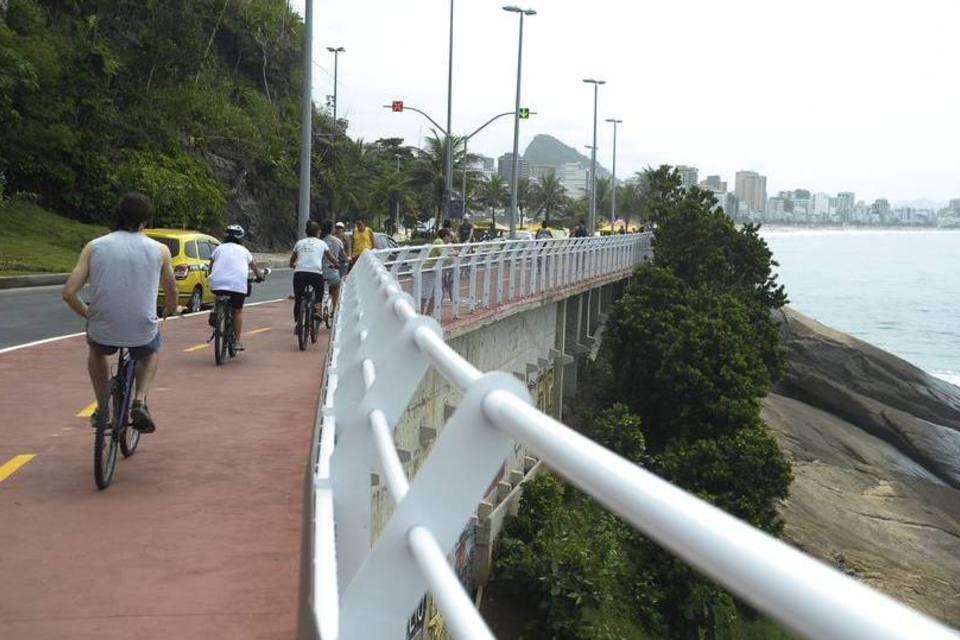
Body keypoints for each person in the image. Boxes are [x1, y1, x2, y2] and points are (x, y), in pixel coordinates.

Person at [62, 193, 178, 434]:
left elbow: (69, 293)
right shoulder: (160, 250)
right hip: (141, 329)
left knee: (97, 351)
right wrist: (170, 308)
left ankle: (103, 405)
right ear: (146, 221)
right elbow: (171, 289)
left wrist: (88, 314)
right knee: (150, 351)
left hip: (102, 326)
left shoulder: (94, 247)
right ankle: (140, 400)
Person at [208, 224, 264, 352]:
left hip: (217, 283)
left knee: (218, 294)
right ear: (241, 238)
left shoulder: (218, 249)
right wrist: (260, 276)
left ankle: (215, 310)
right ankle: (237, 341)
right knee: (237, 311)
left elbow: (210, 266)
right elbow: (254, 267)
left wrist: (211, 275)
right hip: (237, 285)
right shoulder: (244, 251)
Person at [290, 220, 337, 333]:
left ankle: (298, 324)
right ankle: (317, 310)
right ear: (318, 233)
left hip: (300, 273)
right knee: (319, 292)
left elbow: (292, 260)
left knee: (298, 299)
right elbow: (331, 258)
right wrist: (337, 264)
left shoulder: (299, 243)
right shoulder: (322, 243)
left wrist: (292, 265)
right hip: (315, 274)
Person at [421, 228, 452, 316]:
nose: (450, 239)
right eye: (450, 237)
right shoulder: (439, 242)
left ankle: (427, 315)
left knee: (437, 294)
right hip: (428, 270)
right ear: (446, 236)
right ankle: (421, 315)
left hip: (433, 270)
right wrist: (454, 253)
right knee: (425, 294)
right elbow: (444, 255)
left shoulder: (441, 243)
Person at [319, 219, 346, 317]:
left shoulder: (319, 241)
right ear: (332, 229)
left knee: (318, 288)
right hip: (332, 270)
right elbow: (343, 257)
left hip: (318, 271)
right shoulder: (338, 241)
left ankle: (317, 307)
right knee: (336, 287)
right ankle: (334, 310)